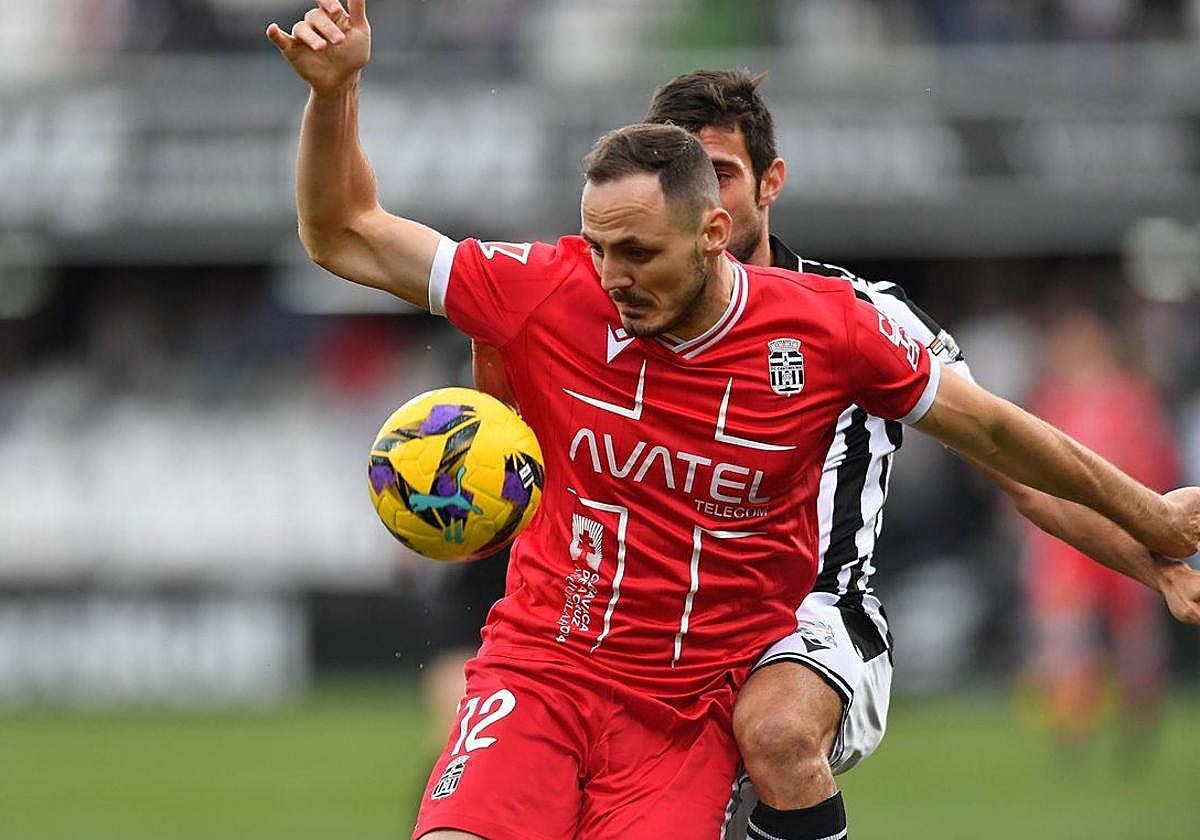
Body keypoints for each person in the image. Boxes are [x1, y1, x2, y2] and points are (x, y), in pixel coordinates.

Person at [266, 4, 1200, 837]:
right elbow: (345, 230)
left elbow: (1004, 447)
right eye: (604, 245)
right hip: (557, 659)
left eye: (715, 177)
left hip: (780, 638)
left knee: (779, 727)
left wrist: (1152, 538)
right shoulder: (557, 289)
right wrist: (337, 93)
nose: (612, 273)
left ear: (742, 200)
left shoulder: (848, 324)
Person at [1022, 307, 1179, 762]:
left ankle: (1138, 728)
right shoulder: (1050, 399)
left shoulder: (1130, 400)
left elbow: (1155, 464)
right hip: (1064, 541)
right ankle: (1074, 733)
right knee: (1067, 641)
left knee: (1134, 640)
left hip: (1124, 533)